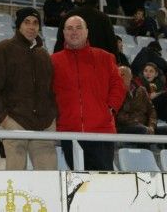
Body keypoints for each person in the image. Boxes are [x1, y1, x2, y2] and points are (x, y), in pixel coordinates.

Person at [0, 8, 58, 170]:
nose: (31, 27)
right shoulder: (3, 50)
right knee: (15, 181)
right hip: (15, 123)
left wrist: (52, 117)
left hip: (44, 125)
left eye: (35, 23)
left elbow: (50, 89)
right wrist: (4, 120)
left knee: (49, 179)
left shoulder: (44, 55)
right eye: (27, 22)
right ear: (19, 26)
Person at [52, 15, 126, 170]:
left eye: (79, 28)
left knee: (103, 182)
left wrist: (110, 108)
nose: (74, 32)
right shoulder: (53, 61)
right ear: (63, 33)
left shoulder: (105, 57)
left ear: (86, 32)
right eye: (70, 28)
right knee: (79, 184)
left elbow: (118, 85)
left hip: (101, 131)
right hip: (69, 132)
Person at [54, 0, 118, 56]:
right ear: (97, 3)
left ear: (83, 0)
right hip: (97, 59)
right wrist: (117, 60)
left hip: (73, 57)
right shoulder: (104, 18)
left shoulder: (70, 15)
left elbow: (60, 39)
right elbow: (112, 41)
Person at [117, 66, 167, 137]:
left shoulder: (141, 90)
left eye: (122, 74)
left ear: (130, 76)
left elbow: (152, 110)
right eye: (117, 75)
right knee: (142, 130)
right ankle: (145, 147)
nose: (119, 77)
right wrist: (137, 121)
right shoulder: (115, 92)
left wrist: (151, 126)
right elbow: (118, 116)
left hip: (144, 125)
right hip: (125, 126)